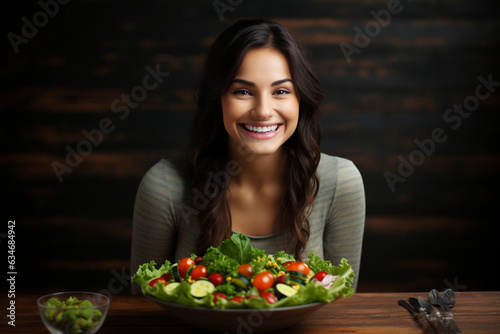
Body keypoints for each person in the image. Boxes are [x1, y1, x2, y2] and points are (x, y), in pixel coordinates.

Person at [131, 19, 365, 293]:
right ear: (218, 100)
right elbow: (145, 306)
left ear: (301, 99)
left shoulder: (341, 183)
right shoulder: (164, 187)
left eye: (281, 91)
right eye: (243, 91)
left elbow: (342, 306)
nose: (263, 110)